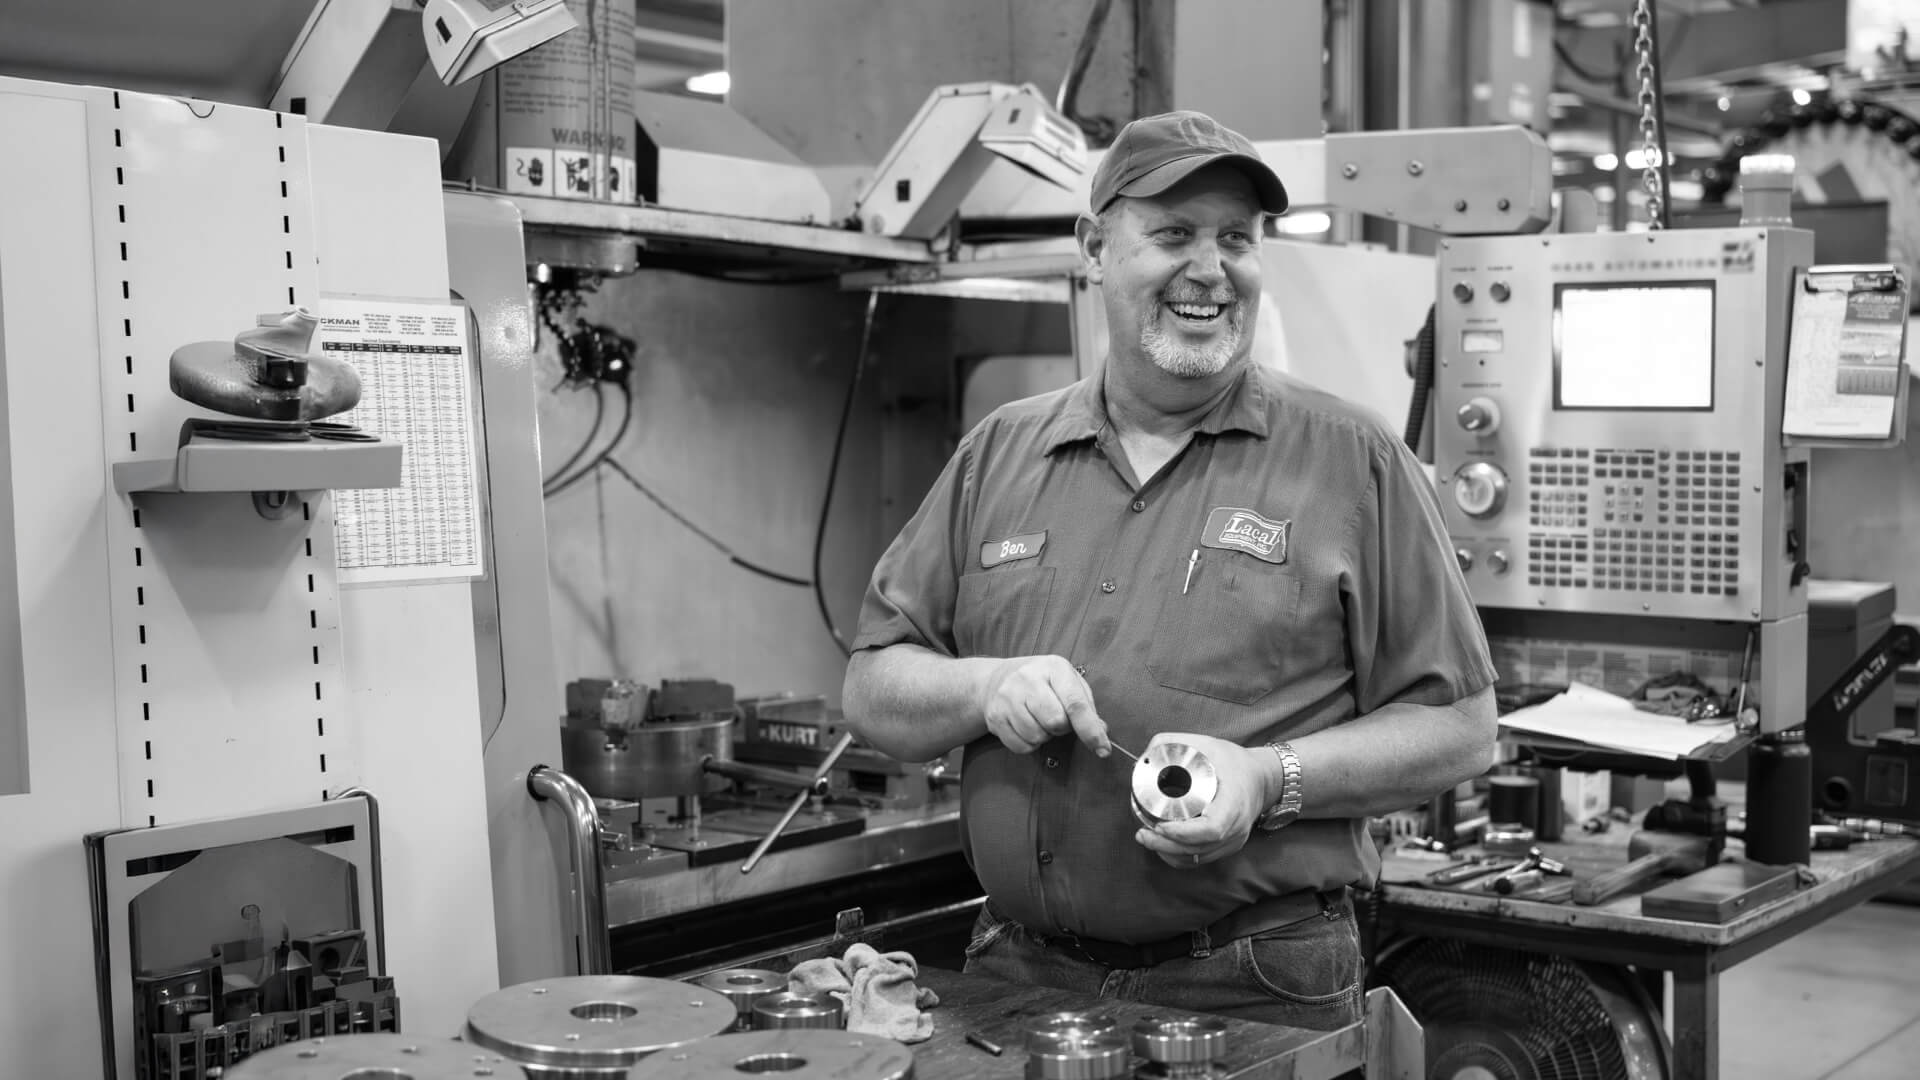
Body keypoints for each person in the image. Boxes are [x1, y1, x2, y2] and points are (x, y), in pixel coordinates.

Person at [840, 110, 1499, 1032]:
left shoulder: (1352, 459)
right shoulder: (999, 454)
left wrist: (1269, 778)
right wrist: (986, 689)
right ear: (1094, 248)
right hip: (1018, 979)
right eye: (1174, 234)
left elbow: (1463, 730)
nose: (1210, 268)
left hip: (1253, 983)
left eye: (1237, 238)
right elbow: (873, 686)